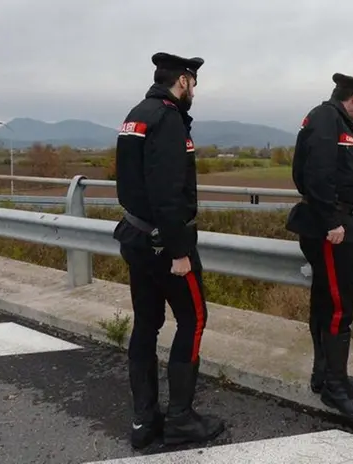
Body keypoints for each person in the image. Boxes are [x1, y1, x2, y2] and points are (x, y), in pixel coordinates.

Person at [113, 51, 225, 449]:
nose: (194, 90)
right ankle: (180, 420)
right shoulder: (169, 119)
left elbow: (131, 181)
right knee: (193, 319)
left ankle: (145, 422)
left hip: (136, 235)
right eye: (193, 83)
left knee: (146, 323)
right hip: (165, 244)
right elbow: (167, 191)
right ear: (183, 81)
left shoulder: (136, 115)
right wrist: (179, 251)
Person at [286, 72, 353, 421]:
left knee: (326, 300)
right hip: (332, 229)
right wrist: (332, 220)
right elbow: (313, 175)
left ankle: (324, 375)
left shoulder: (330, 120)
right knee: (339, 305)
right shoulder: (328, 120)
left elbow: (330, 172)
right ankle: (335, 389)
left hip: (333, 222)